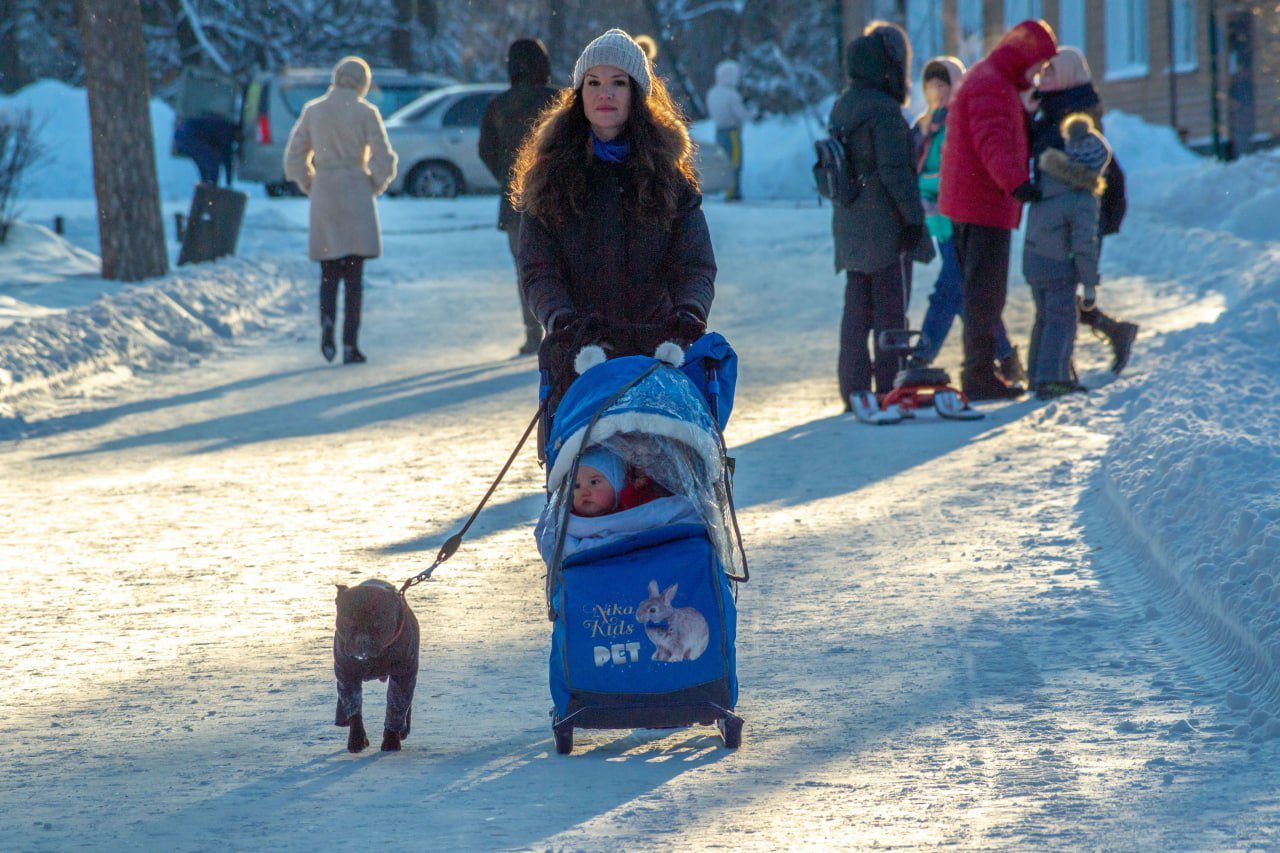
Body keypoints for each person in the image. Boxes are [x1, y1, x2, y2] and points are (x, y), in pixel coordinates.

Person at [512, 28, 716, 409]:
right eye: (593, 82)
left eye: (617, 83)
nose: (604, 93)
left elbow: (695, 264)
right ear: (579, 95)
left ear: (636, 95)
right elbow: (539, 268)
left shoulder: (669, 176)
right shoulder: (549, 177)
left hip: (658, 352)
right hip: (579, 354)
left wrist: (689, 315)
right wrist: (562, 320)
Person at [938, 19, 1058, 400]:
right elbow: (991, 140)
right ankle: (978, 376)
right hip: (982, 205)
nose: (1038, 73)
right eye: (1038, 64)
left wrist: (1024, 115)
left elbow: (999, 131)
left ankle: (980, 371)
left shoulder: (992, 80)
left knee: (982, 294)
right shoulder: (991, 83)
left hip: (975, 203)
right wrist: (1017, 182)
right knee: (985, 295)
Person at [907, 56, 1026, 385]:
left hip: (962, 220)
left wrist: (929, 187)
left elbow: (951, 175)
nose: (937, 95)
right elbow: (919, 174)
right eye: (931, 89)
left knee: (951, 293)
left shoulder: (957, 124)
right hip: (941, 226)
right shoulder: (924, 126)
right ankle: (1006, 357)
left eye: (943, 87)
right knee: (967, 295)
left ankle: (921, 356)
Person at [829, 22, 926, 411]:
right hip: (883, 226)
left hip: (850, 224)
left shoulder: (844, 104)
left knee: (856, 312)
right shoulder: (885, 110)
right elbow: (895, 172)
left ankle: (854, 389)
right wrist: (914, 219)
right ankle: (890, 387)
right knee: (890, 309)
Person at [1030, 47, 1138, 374]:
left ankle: (1062, 367)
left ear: (1065, 75)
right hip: (1060, 214)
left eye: (1050, 71)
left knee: (1059, 293)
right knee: (1058, 292)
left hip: (1079, 216)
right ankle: (1110, 333)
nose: (1042, 76)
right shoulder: (1051, 107)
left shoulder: (1076, 111)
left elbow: (1092, 169)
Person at [284, 56, 398, 365]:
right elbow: (384, 158)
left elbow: (293, 157)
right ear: (362, 81)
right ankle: (350, 343)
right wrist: (373, 184)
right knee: (354, 274)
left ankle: (327, 324)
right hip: (356, 190)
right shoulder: (366, 112)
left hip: (325, 191)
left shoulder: (314, 110)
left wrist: (311, 184)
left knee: (328, 270)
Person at [479, 38, 560, 357]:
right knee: (563, 265)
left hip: (517, 202)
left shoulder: (499, 105)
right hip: (558, 199)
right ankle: (561, 327)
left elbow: (486, 151)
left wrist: (509, 179)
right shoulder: (558, 100)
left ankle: (532, 333)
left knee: (526, 268)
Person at [1023, 113, 1111, 399]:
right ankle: (1054, 378)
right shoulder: (1082, 197)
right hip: (1058, 265)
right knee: (1062, 321)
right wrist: (1089, 283)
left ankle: (1036, 376)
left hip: (1033, 260)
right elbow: (1085, 244)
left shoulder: (1048, 180)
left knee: (1044, 318)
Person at [706, 59, 756, 202]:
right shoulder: (731, 94)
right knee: (734, 163)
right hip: (732, 133)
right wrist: (753, 114)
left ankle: (724, 190)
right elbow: (741, 114)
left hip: (718, 132)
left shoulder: (712, 93)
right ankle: (733, 193)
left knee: (723, 163)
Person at [174, 112, 239, 186]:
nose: (239, 140)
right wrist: (229, 182)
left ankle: (205, 187)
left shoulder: (223, 127)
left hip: (181, 134)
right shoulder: (226, 131)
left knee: (204, 164)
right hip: (189, 134)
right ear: (237, 131)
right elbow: (227, 157)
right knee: (212, 162)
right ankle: (211, 190)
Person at [572, 448, 625, 517]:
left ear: (617, 483)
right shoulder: (565, 521)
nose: (584, 493)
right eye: (577, 486)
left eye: (594, 482)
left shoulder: (635, 511)